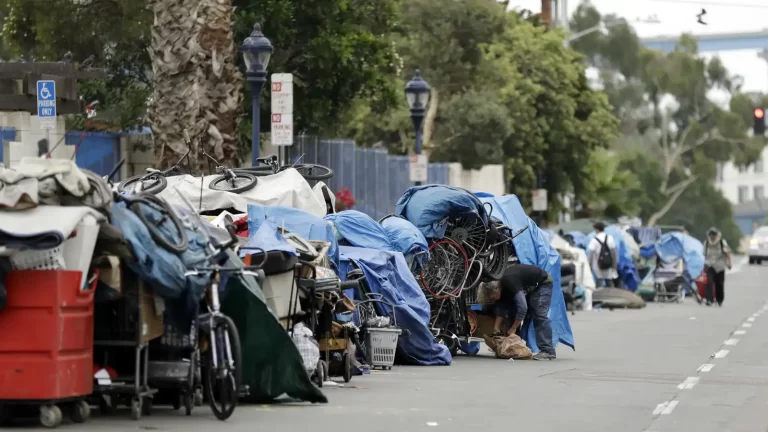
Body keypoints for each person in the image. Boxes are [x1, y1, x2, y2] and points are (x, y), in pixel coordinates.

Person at [479, 264, 556, 360]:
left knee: (539, 315)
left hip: (543, 282)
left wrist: (513, 328)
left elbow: (523, 308)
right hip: (531, 286)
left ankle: (548, 351)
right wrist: (496, 329)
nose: (492, 299)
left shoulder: (509, 281)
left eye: (491, 296)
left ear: (496, 289)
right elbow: (502, 309)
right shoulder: (501, 289)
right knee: (513, 314)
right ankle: (514, 347)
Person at [704, 227, 732, 306]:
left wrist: (729, 263)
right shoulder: (706, 243)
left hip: (720, 266)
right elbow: (704, 255)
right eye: (711, 236)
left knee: (719, 283)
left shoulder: (722, 243)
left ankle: (719, 300)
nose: (712, 238)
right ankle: (709, 299)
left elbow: (728, 253)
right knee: (709, 281)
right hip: (710, 265)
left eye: (714, 236)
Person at [588, 222, 618, 287]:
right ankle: (612, 294)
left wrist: (589, 266)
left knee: (599, 281)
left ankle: (598, 296)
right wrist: (614, 265)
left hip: (597, 265)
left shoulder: (594, 240)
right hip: (608, 263)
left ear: (597, 229)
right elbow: (614, 252)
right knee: (609, 281)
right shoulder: (609, 237)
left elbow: (591, 255)